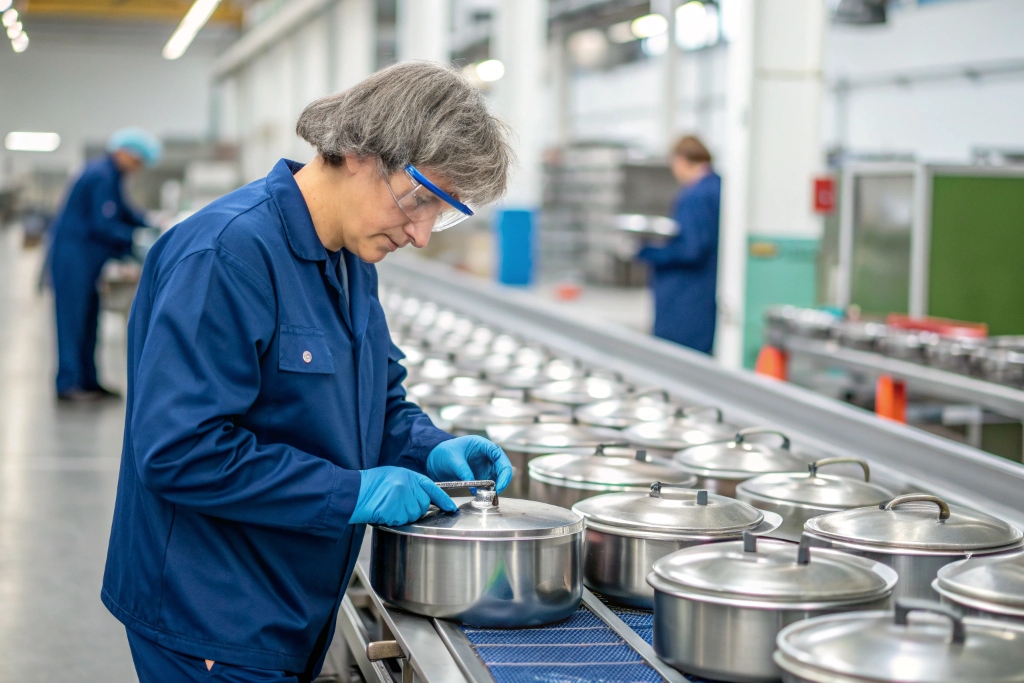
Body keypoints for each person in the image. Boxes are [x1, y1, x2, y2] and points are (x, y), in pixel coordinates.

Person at [101, 62, 516, 683]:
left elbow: (375, 403)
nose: (423, 234)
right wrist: (352, 493)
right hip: (214, 616)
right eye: (421, 198)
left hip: (289, 603)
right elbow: (178, 450)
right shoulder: (226, 254)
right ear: (355, 152)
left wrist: (431, 448)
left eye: (445, 212)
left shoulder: (350, 260)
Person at [49, 127, 162, 401]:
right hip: (74, 258)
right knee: (73, 321)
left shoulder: (111, 175)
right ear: (124, 152)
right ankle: (68, 384)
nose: (137, 168)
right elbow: (104, 224)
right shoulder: (100, 175)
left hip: (88, 259)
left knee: (89, 319)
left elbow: (124, 211)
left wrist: (153, 223)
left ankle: (89, 380)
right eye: (137, 162)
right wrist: (135, 240)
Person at [636, 135, 721, 354]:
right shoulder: (718, 187)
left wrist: (647, 252)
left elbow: (691, 250)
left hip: (687, 297)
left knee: (678, 362)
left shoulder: (695, 195)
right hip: (709, 292)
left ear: (682, 160)